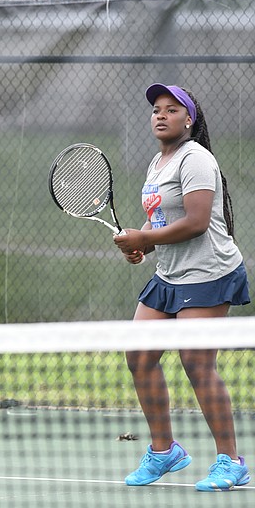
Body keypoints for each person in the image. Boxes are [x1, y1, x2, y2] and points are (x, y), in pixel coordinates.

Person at [114, 83, 250, 491]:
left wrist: (146, 239)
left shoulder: (196, 159)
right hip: (170, 275)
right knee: (139, 356)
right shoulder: (158, 162)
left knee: (196, 362)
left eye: (172, 109)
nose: (160, 114)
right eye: (156, 108)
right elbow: (161, 225)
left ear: (188, 119)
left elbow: (195, 221)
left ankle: (231, 460)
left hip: (209, 274)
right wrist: (141, 248)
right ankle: (164, 450)